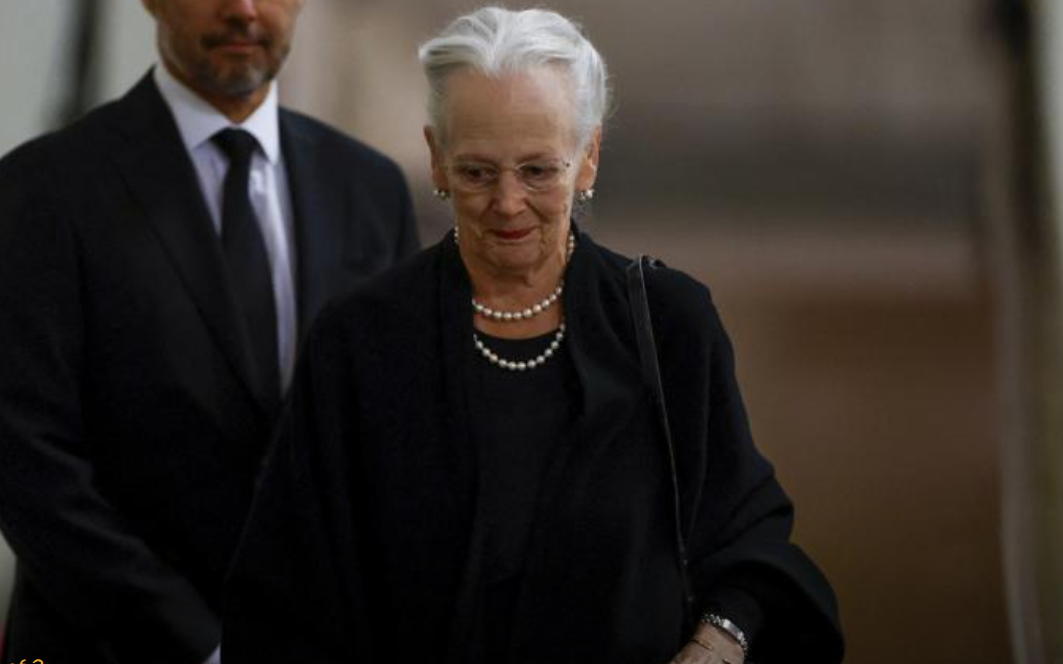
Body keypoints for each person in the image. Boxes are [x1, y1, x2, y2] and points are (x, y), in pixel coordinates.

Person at [222, 7, 842, 664]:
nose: (508, 202)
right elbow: (284, 596)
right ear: (436, 160)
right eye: (477, 171)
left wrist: (718, 642)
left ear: (588, 159)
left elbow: (747, 537)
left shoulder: (667, 325)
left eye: (538, 170)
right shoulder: (359, 341)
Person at [0, 0, 419, 662]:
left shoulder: (369, 189)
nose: (243, 10)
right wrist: (200, 644)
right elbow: (26, 457)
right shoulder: (43, 187)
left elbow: (394, 442)